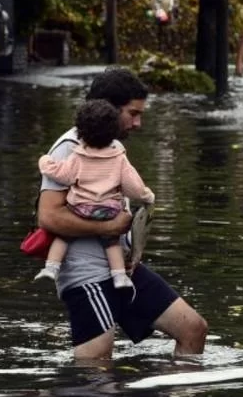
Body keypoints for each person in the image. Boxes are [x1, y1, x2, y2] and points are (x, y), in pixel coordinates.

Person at [36, 68, 208, 360]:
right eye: (133, 113)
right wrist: (108, 228)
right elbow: (48, 217)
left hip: (122, 270)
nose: (138, 123)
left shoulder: (113, 147)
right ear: (108, 108)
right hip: (87, 275)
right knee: (97, 365)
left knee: (193, 329)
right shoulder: (70, 147)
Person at [35, 99, 155, 289]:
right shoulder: (119, 157)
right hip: (109, 211)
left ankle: (51, 267)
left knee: (63, 237)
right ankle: (119, 277)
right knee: (112, 243)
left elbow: (63, 175)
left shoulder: (77, 155)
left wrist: (45, 162)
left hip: (81, 209)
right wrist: (147, 196)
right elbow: (134, 187)